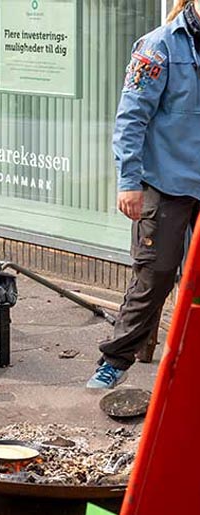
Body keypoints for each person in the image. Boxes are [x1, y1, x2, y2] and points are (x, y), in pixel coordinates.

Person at [87, 0, 200, 389]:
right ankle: (114, 361)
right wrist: (129, 182)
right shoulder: (160, 47)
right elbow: (131, 118)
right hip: (166, 182)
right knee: (155, 274)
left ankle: (187, 369)